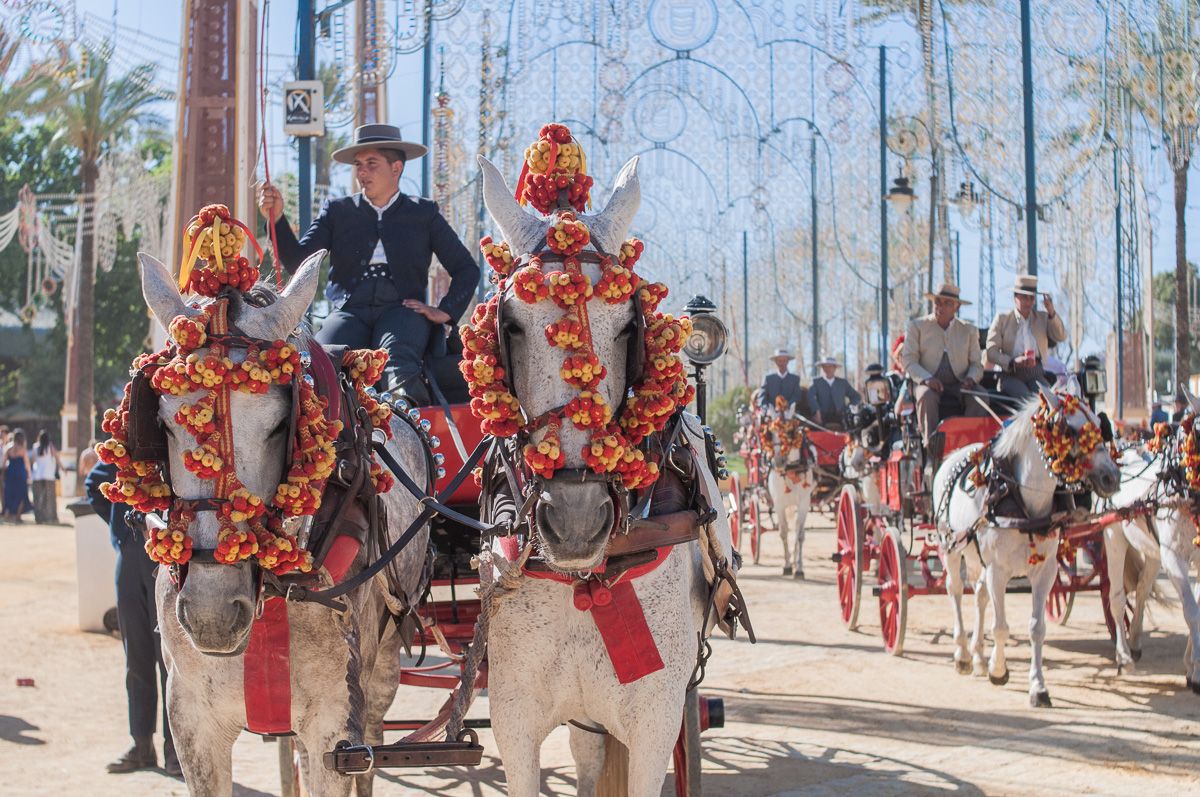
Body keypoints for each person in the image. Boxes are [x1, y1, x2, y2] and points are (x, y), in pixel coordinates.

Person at [258, 123, 480, 405]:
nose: (362, 172)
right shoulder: (338, 212)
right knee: (321, 362)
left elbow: (467, 270)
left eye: (371, 164)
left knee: (397, 365)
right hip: (351, 310)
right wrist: (276, 219)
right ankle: (329, 443)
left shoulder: (423, 214)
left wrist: (445, 312)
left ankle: (411, 440)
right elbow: (299, 263)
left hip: (402, 311)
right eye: (359, 165)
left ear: (396, 168)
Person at [85, 460, 179, 777]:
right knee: (136, 658)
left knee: (170, 661)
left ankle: (176, 751)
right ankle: (141, 745)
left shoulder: (166, 444)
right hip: (129, 560)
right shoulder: (122, 449)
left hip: (168, 558)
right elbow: (94, 485)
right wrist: (121, 534)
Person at [901, 282, 986, 446]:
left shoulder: (968, 330)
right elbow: (909, 360)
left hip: (959, 384)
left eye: (947, 303)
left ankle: (970, 444)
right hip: (928, 383)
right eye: (938, 301)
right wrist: (927, 379)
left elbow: (977, 364)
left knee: (981, 396)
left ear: (957, 307)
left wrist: (970, 379)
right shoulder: (917, 327)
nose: (940, 306)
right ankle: (932, 447)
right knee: (926, 396)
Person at [985, 274, 1067, 399]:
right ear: (1015, 298)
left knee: (1048, 399)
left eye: (1031, 298)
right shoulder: (1002, 319)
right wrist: (1013, 362)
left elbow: (1061, 336)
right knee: (1026, 399)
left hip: (1036, 374)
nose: (1028, 302)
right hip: (1010, 374)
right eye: (1024, 297)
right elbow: (991, 352)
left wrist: (1051, 312)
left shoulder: (1042, 318)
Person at [807, 355, 860, 430]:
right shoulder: (816, 382)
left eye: (830, 366)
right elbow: (810, 396)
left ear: (835, 368)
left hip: (840, 416)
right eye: (825, 366)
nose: (827, 369)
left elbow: (856, 397)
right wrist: (816, 411)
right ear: (822, 368)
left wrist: (848, 408)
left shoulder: (842, 383)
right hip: (822, 415)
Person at [758, 348, 805, 413]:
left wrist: (787, 405)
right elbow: (762, 397)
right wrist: (766, 409)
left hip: (789, 413)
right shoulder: (768, 379)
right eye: (779, 361)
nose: (782, 363)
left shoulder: (795, 379)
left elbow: (797, 396)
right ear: (776, 362)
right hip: (771, 414)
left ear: (787, 361)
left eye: (784, 361)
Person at [30, 429, 62, 524]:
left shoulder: (35, 447)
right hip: (49, 475)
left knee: (38, 498)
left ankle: (39, 517)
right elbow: (57, 459)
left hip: (37, 475)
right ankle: (51, 517)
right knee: (50, 498)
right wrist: (62, 469)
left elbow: (33, 461)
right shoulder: (50, 447)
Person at [2, 428, 31, 523]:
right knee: (21, 494)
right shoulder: (22, 449)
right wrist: (29, 476)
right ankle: (18, 516)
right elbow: (27, 464)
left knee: (9, 494)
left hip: (10, 473)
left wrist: (3, 475)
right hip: (20, 474)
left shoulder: (8, 448)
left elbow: (4, 463)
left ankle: (7, 513)